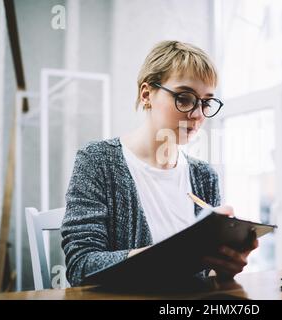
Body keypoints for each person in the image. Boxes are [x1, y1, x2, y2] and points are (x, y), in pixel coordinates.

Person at [61, 40, 258, 287]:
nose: (197, 115)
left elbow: (207, 276)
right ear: (147, 95)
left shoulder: (205, 176)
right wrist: (173, 255)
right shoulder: (97, 161)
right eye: (185, 98)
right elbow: (81, 266)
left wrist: (225, 267)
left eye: (206, 102)